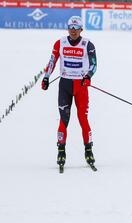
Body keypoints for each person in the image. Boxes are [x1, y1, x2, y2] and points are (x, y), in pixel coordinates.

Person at [41, 16, 97, 168]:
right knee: (63, 119)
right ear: (67, 28)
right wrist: (46, 78)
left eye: (76, 28)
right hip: (65, 85)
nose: (73, 31)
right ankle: (61, 149)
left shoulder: (88, 45)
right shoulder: (60, 43)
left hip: (81, 87)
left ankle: (88, 149)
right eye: (71, 28)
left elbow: (94, 65)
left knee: (82, 119)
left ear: (81, 29)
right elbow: (52, 61)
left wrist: (88, 76)